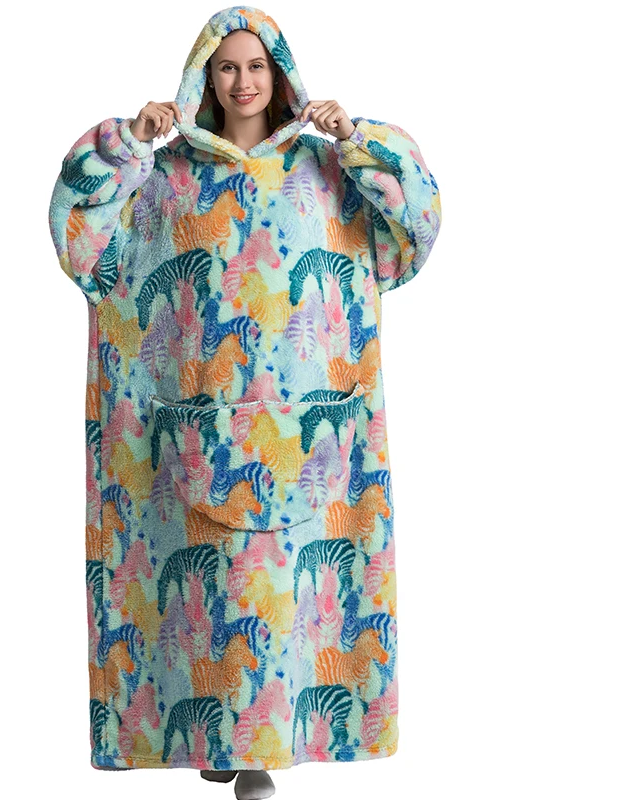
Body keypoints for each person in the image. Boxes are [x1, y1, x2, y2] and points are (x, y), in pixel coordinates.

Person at [47, 6, 441, 799]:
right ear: (205, 76)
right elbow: (81, 241)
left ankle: (260, 754)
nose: (242, 81)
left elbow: (416, 228)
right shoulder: (165, 177)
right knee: (212, 602)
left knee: (285, 600)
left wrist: (360, 140)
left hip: (306, 432)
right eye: (226, 67)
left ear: (280, 74)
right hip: (195, 432)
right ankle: (219, 742)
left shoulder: (326, 172)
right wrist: (126, 143)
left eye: (256, 66)